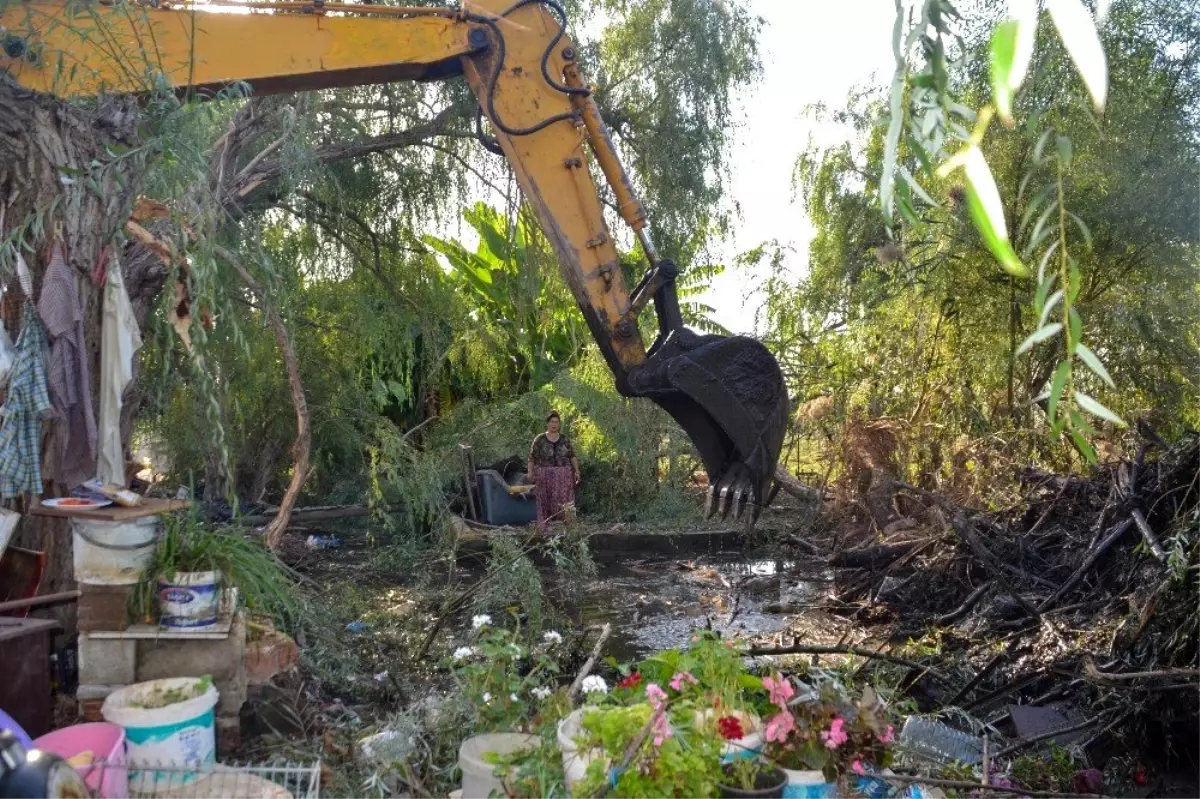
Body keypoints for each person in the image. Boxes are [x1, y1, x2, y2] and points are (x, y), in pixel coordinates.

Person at [527, 410, 581, 526]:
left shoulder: (564, 439)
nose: (554, 424)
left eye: (556, 422)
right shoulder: (539, 439)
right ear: (547, 423)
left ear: (559, 424)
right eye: (552, 421)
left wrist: (577, 471)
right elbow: (532, 458)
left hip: (563, 475)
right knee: (545, 500)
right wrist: (530, 472)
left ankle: (567, 525)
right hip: (544, 475)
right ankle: (546, 525)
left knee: (565, 501)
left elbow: (572, 456)